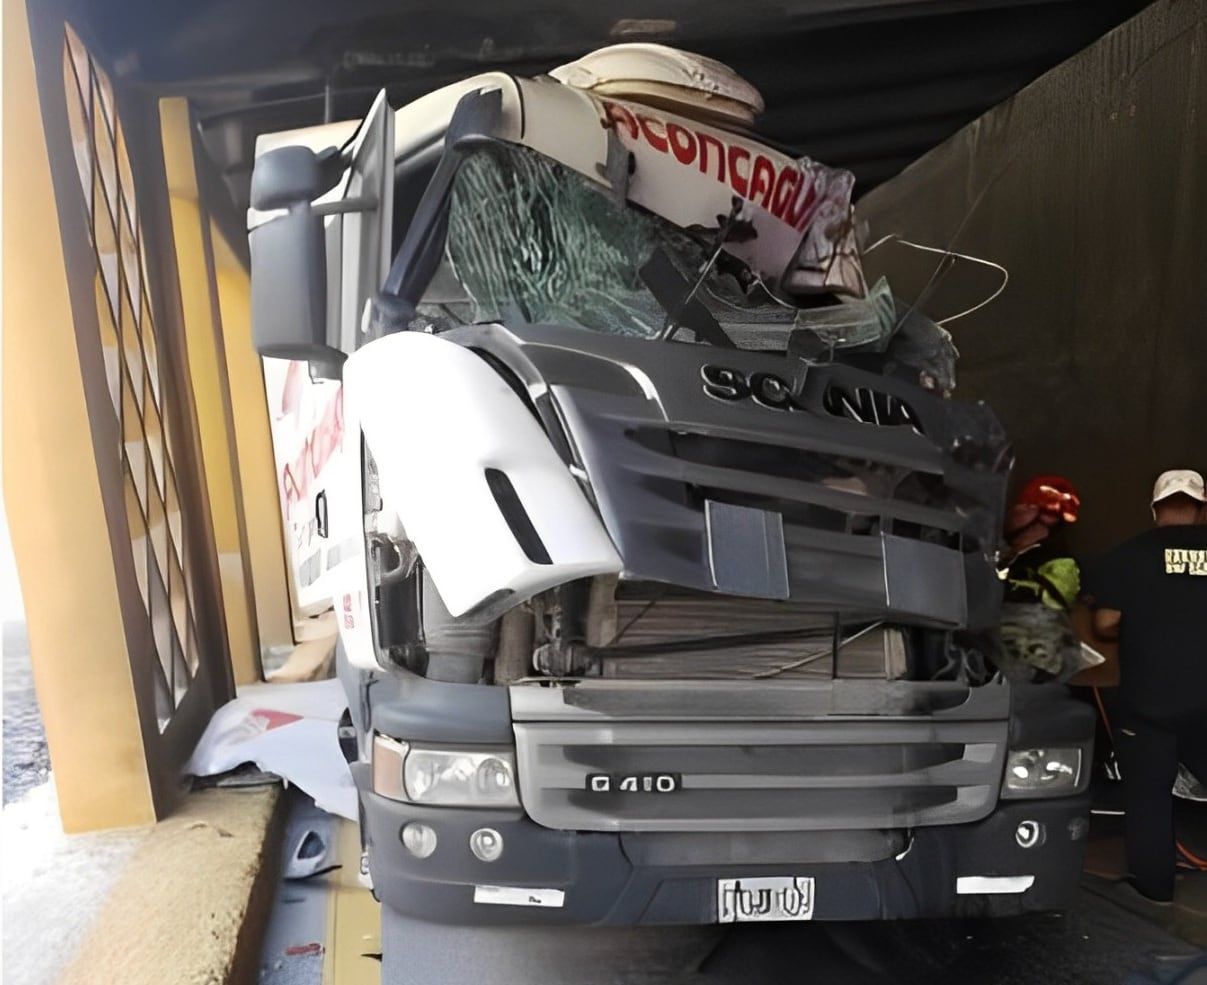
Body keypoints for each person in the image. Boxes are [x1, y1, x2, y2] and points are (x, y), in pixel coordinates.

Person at [1087, 469, 1207, 906]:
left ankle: (1155, 889)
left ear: (1155, 507)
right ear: (1200, 507)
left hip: (1151, 702)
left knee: (1149, 796)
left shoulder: (1129, 554)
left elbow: (1105, 622)